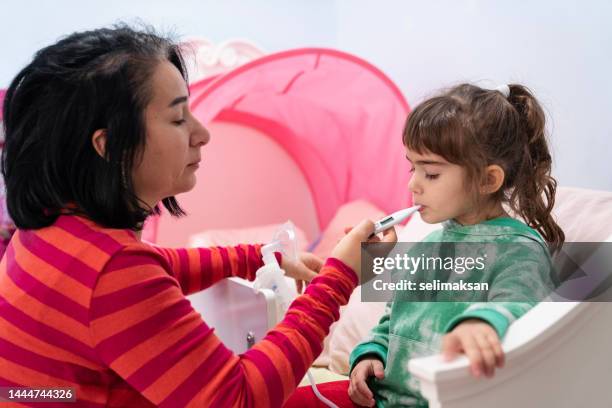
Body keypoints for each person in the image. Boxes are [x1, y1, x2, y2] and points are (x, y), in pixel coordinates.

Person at [0, 25, 395, 407]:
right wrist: (340, 277)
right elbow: (240, 397)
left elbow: (159, 266)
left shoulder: (50, 231)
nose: (202, 133)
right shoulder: (114, 272)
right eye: (177, 119)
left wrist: (261, 256)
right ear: (109, 146)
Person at [284, 83, 564, 407]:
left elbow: (523, 305)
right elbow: (392, 321)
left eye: (430, 173)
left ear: (488, 180)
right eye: (412, 167)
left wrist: (481, 323)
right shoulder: (426, 246)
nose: (412, 184)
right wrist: (369, 355)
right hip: (384, 397)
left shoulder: (518, 249)